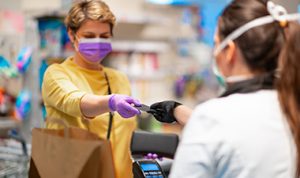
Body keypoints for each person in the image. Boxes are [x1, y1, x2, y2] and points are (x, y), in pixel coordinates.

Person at [148, 0, 300, 177]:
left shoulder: (212, 118)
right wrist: (179, 112)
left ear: (230, 51)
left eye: (216, 44)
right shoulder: (291, 106)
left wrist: (199, 122)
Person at [41, 1, 142, 177]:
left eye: (104, 36)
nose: (97, 42)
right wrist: (110, 102)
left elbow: (126, 130)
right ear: (72, 35)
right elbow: (75, 101)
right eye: (89, 35)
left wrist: (142, 151)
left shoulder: (119, 79)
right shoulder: (56, 74)